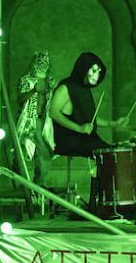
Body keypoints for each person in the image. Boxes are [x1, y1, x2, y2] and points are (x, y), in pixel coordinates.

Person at [50, 52, 127, 210]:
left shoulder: (84, 89)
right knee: (106, 155)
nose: (97, 75)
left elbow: (90, 118)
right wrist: (79, 128)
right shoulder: (66, 87)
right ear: (83, 68)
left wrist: (112, 124)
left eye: (99, 71)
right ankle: (97, 205)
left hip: (83, 137)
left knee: (111, 153)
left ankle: (101, 203)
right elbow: (53, 112)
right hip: (67, 138)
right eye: (93, 70)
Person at [16, 50, 55, 188]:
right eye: (40, 62)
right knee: (22, 152)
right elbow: (20, 99)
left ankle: (40, 187)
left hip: (44, 122)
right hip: (27, 121)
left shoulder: (50, 81)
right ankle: (22, 186)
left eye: (45, 62)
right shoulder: (26, 79)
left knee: (44, 154)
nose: (43, 64)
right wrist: (33, 90)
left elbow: (53, 102)